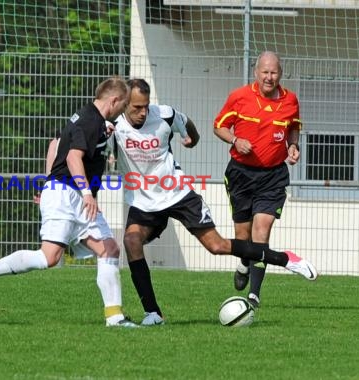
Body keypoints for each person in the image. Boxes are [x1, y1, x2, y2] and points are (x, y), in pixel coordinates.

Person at [111, 78, 317, 325]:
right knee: (131, 241)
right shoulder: (113, 126)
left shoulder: (163, 115)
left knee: (217, 245)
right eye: (136, 108)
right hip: (143, 201)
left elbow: (187, 124)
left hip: (177, 194)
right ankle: (153, 313)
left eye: (145, 106)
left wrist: (191, 139)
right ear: (123, 104)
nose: (143, 112)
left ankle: (285, 259)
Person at [0, 77, 140, 327]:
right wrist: (85, 192)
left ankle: (115, 317)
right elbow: (74, 157)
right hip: (68, 194)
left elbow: (56, 144)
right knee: (48, 258)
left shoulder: (91, 118)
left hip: (71, 194)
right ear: (115, 100)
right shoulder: (90, 120)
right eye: (125, 104)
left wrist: (52, 182)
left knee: (109, 249)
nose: (125, 110)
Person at [214, 51, 303, 309]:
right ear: (256, 73)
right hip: (241, 174)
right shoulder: (239, 97)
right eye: (265, 72)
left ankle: (254, 295)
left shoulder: (290, 100)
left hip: (273, 176)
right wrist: (234, 139)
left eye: (273, 72)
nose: (269, 77)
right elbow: (218, 125)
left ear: (280, 74)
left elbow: (293, 126)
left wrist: (293, 145)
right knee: (243, 237)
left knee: (261, 231)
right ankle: (244, 261)